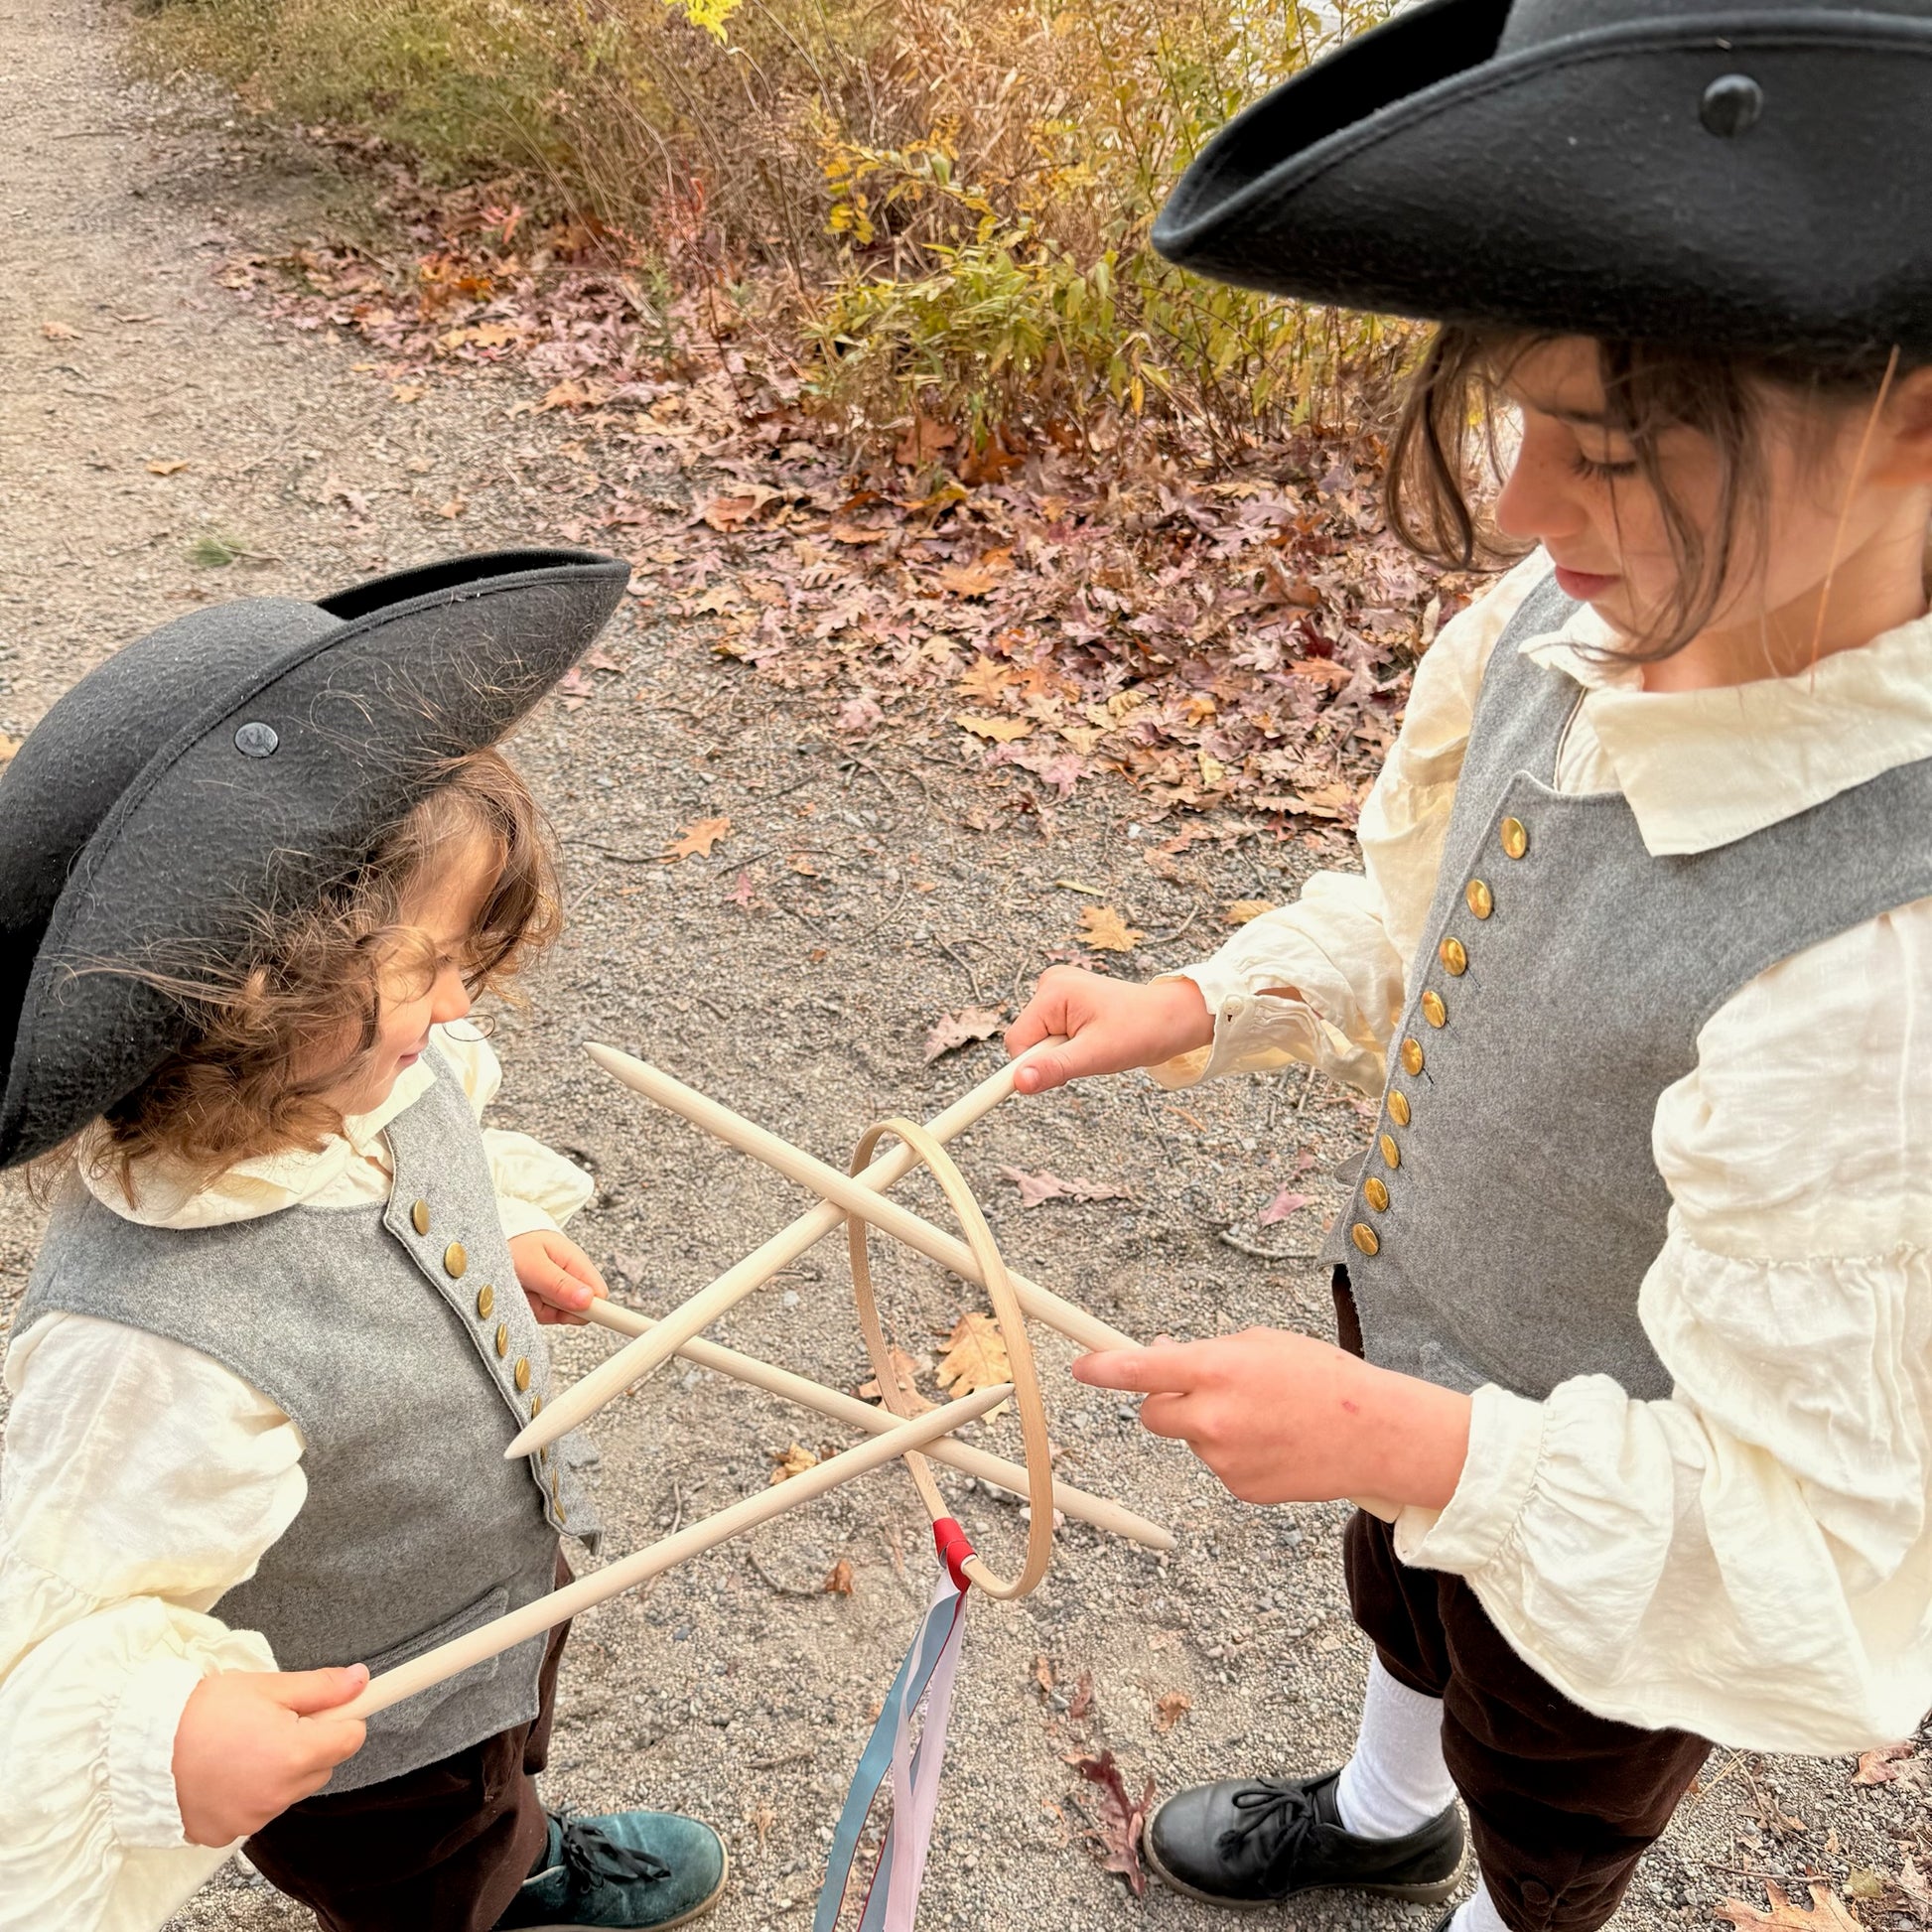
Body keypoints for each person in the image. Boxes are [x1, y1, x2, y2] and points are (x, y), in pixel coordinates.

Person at [1006, 3, 1932, 1930]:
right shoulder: (1558, 612)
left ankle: (1499, 1892)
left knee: (1557, 1755)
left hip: (1616, 1475)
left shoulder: (1884, 963)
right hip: (1427, 1319)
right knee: (1412, 1597)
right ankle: (1378, 1803)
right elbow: (1426, 911)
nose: (1518, 509)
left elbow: (1816, 1565)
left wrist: (1424, 1446)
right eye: (1519, 408)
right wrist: (1205, 999)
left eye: (1612, 440)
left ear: (1916, 411)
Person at [0, 551, 729, 1932]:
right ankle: (485, 1895)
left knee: (497, 1761)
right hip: (364, 1728)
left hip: (481, 1608)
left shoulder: (365, 1078)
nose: (458, 1009)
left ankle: (524, 1848)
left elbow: (409, 1167)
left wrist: (486, 1229)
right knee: (427, 1871)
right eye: (433, 967)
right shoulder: (148, 1346)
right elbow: (38, 1630)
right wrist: (163, 1734)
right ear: (266, 993)